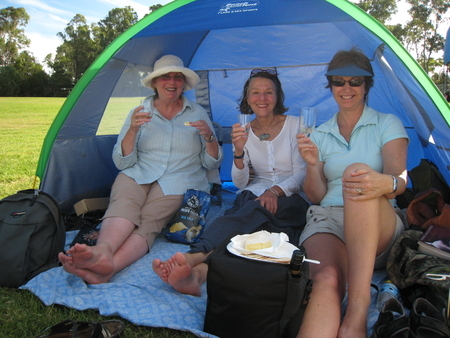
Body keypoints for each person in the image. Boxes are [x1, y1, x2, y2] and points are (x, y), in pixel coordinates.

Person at [58, 55, 223, 284]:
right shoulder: (139, 112)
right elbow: (122, 162)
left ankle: (111, 267)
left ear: (184, 84)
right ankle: (103, 251)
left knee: (149, 219)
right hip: (138, 171)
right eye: (166, 77)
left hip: (180, 177)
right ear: (155, 83)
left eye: (178, 77)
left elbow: (211, 164)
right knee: (124, 203)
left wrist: (209, 137)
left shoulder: (197, 112)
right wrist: (133, 130)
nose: (172, 82)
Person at [153, 69, 309, 296]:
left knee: (246, 218)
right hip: (254, 192)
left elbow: (302, 173)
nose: (262, 98)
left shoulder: (296, 125)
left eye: (268, 92)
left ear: (278, 97)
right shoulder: (243, 130)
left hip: (291, 196)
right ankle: (199, 275)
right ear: (247, 98)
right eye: (255, 93)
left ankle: (196, 256)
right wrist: (238, 151)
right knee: (251, 223)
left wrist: (275, 191)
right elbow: (241, 182)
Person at [296, 47, 409, 338]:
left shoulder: (387, 123)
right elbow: (316, 197)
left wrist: (386, 183)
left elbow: (400, 180)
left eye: (355, 81)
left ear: (367, 84)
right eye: (338, 81)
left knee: (356, 173)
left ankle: (358, 311)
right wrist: (310, 166)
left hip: (377, 222)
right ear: (330, 85)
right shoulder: (319, 133)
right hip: (330, 218)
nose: (347, 88)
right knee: (327, 278)